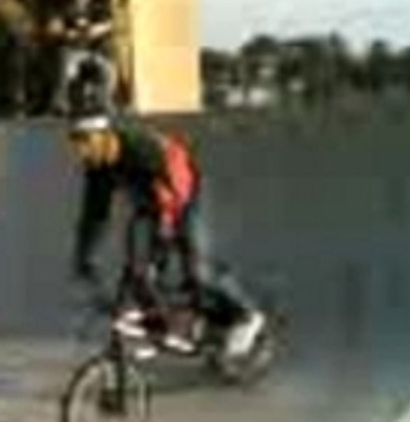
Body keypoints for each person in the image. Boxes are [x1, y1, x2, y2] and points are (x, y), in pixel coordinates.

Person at [68, 112, 266, 355]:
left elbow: (178, 187)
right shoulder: (97, 168)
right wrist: (84, 256)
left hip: (187, 200)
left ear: (104, 136)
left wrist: (165, 231)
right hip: (149, 207)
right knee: (138, 272)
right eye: (76, 144)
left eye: (85, 141)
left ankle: (246, 314)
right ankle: (160, 327)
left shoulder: (141, 147)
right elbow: (94, 217)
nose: (81, 151)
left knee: (198, 272)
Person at [49, 0, 118, 115]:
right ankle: (62, 102)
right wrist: (65, 32)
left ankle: (104, 100)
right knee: (67, 66)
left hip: (93, 51)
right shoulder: (67, 10)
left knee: (109, 68)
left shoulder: (96, 9)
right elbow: (54, 27)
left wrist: (100, 29)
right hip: (73, 51)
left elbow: (109, 24)